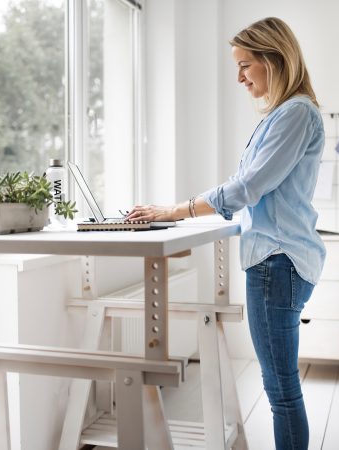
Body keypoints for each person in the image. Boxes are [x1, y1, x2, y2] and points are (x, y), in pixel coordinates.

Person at [127, 17, 326, 450]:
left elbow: (249, 186)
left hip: (279, 261)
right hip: (279, 260)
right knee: (280, 386)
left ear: (274, 59)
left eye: (245, 65)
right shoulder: (286, 114)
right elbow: (254, 191)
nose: (238, 77)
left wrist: (177, 210)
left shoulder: (295, 113)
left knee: (280, 391)